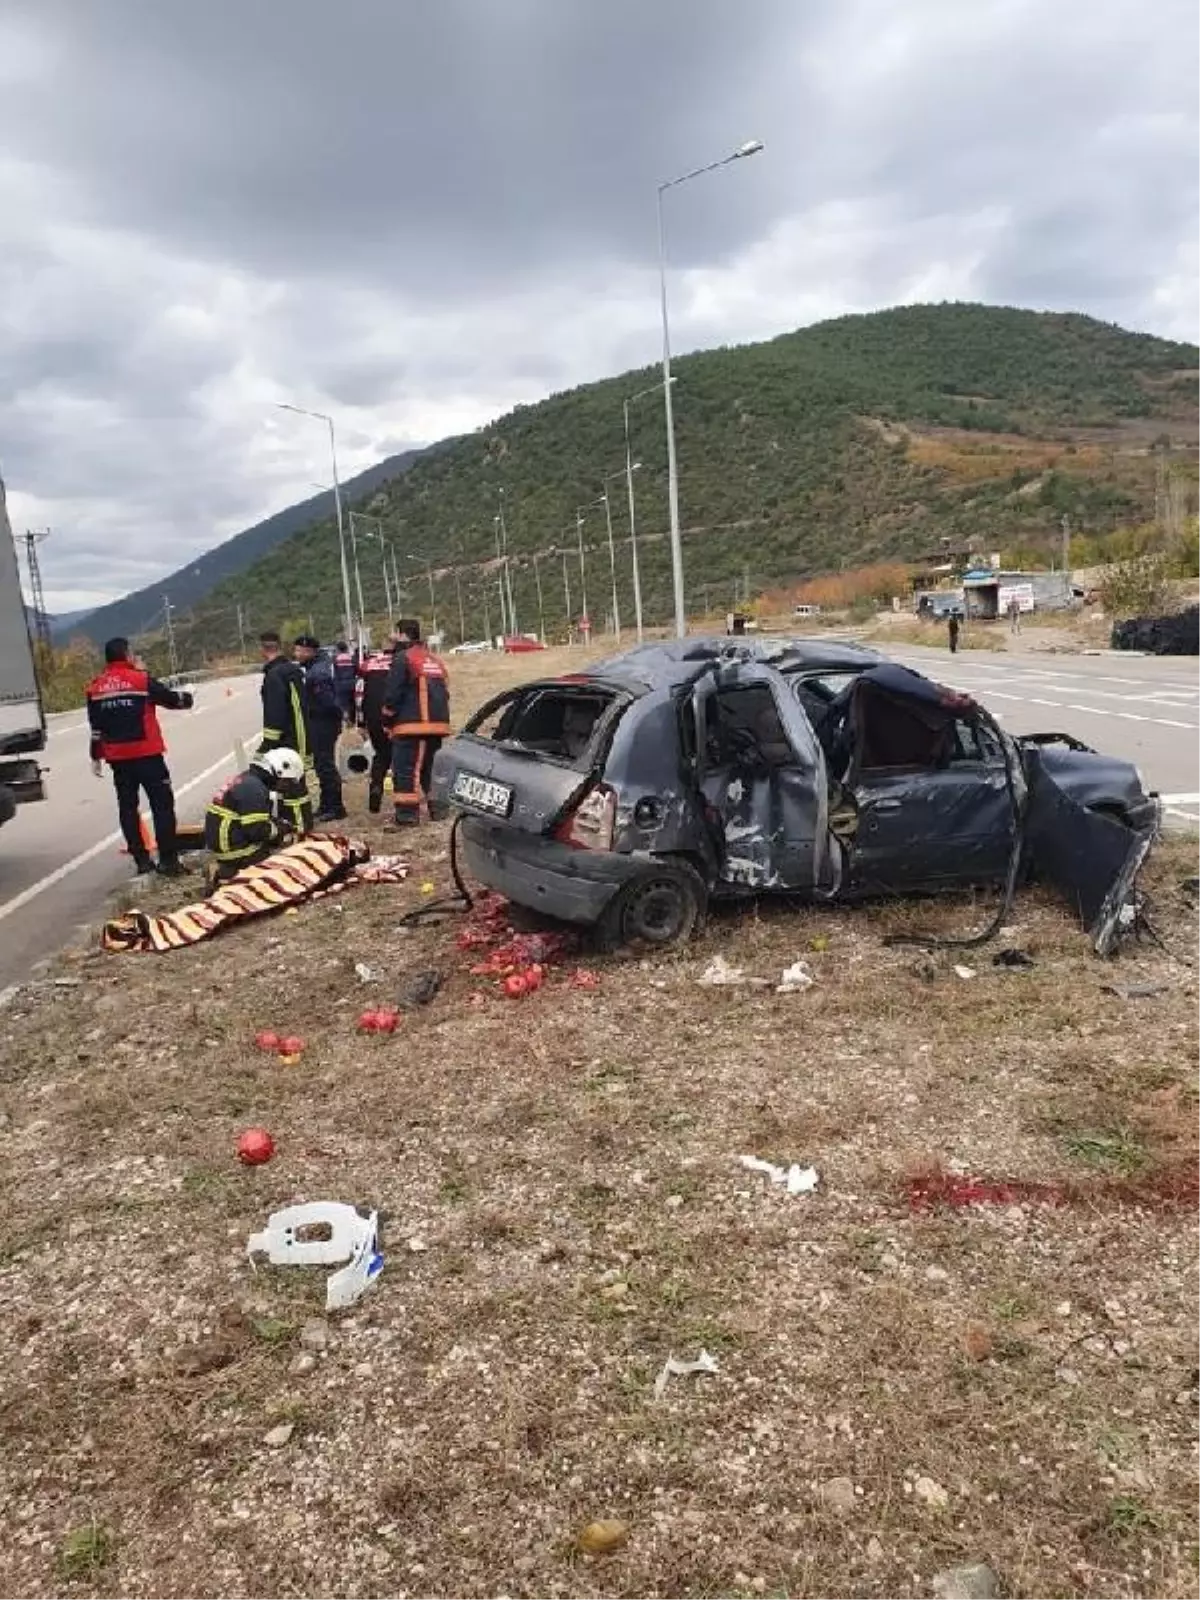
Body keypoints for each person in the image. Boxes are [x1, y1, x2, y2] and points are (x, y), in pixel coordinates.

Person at [86, 637, 194, 876]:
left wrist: (95, 756)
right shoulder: (141, 680)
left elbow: (95, 727)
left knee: (128, 808)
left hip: (118, 759)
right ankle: (168, 861)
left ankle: (142, 861)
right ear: (127, 655)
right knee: (162, 805)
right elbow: (173, 701)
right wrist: (189, 696)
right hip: (147, 754)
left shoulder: (95, 687)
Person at [381, 618, 451, 826]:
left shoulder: (403, 658)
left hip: (411, 725)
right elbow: (445, 691)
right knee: (430, 768)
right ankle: (439, 809)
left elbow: (393, 694)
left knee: (406, 770)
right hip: (437, 724)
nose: (392, 637)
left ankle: (407, 815)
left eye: (394, 633)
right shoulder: (434, 660)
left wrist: (386, 719)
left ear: (401, 634)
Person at [204, 748, 307, 884]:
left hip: (228, 841)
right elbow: (257, 831)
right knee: (281, 872)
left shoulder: (249, 780)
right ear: (280, 771)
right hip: (236, 851)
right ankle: (227, 874)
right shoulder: (255, 789)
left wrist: (279, 825)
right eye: (287, 782)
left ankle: (226, 870)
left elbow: (254, 818)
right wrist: (282, 829)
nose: (285, 788)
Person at [258, 630, 312, 834]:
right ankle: (300, 824)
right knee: (296, 784)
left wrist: (266, 747)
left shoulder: (274, 676)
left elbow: (275, 714)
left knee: (291, 788)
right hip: (301, 736)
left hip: (286, 741)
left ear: (263, 650)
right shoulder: (293, 670)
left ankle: (298, 829)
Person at [292, 633, 347, 822]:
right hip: (321, 721)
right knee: (321, 764)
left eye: (299, 650)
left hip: (323, 722)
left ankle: (335, 807)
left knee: (325, 765)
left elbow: (328, 702)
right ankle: (326, 805)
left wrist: (335, 717)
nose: (296, 654)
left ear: (309, 651)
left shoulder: (318, 672)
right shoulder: (316, 667)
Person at [357, 634, 397, 813]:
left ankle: (376, 787)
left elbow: (359, 694)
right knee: (401, 757)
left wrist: (360, 722)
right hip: (397, 718)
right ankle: (403, 798)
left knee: (381, 755)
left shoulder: (367, 665)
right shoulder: (402, 663)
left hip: (373, 717)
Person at [333, 640, 357, 722]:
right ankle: (351, 720)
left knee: (342, 705)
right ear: (346, 649)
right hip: (352, 684)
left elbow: (334, 672)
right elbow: (356, 670)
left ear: (338, 649)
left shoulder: (335, 659)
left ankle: (344, 720)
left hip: (340, 685)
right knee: (351, 704)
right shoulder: (352, 658)